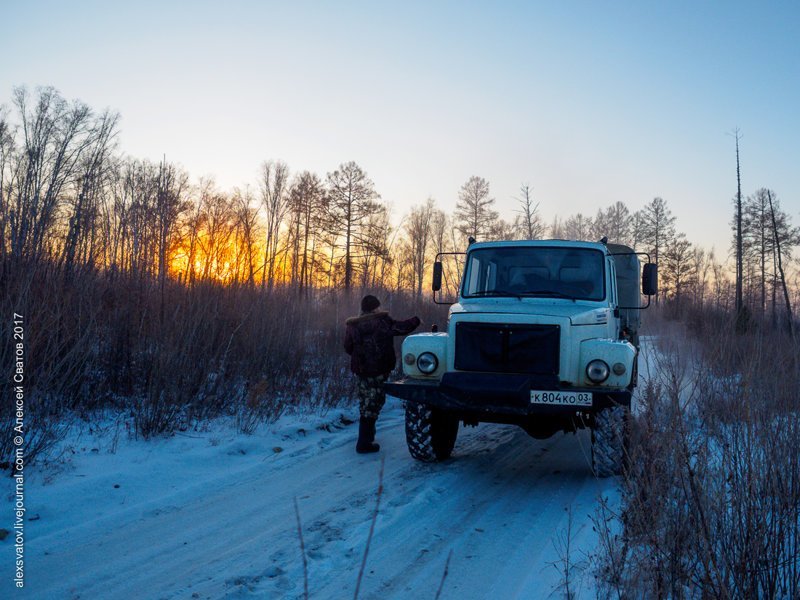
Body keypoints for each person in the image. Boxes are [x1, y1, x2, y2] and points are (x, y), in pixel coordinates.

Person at [344, 295, 420, 454]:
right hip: (378, 370)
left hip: (362, 371)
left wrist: (360, 356)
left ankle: (366, 439)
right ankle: (364, 443)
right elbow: (402, 327)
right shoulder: (383, 322)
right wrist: (416, 320)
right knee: (374, 403)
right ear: (375, 307)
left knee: (365, 403)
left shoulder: (353, 325)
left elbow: (348, 347)